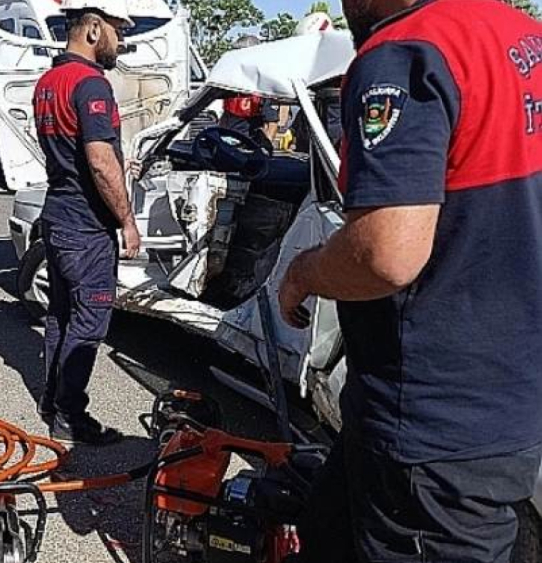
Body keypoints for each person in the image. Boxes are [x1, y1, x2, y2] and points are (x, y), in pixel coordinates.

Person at [278, 0, 542, 561]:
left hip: (430, 426)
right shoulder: (523, 36)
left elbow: (384, 255)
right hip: (501, 398)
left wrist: (303, 273)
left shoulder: (405, 52)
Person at [32, 0, 139, 446]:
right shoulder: (92, 83)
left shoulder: (48, 81)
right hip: (86, 226)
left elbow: (75, 154)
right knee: (90, 322)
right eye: (117, 29)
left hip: (57, 214)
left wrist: (115, 162)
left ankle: (52, 400)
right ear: (93, 30)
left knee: (61, 314)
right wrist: (127, 220)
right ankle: (70, 416)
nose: (121, 39)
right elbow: (97, 161)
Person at [218, 36, 280, 148]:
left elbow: (272, 123)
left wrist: (265, 150)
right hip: (228, 144)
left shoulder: (263, 86)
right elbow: (225, 116)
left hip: (249, 146)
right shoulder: (231, 83)